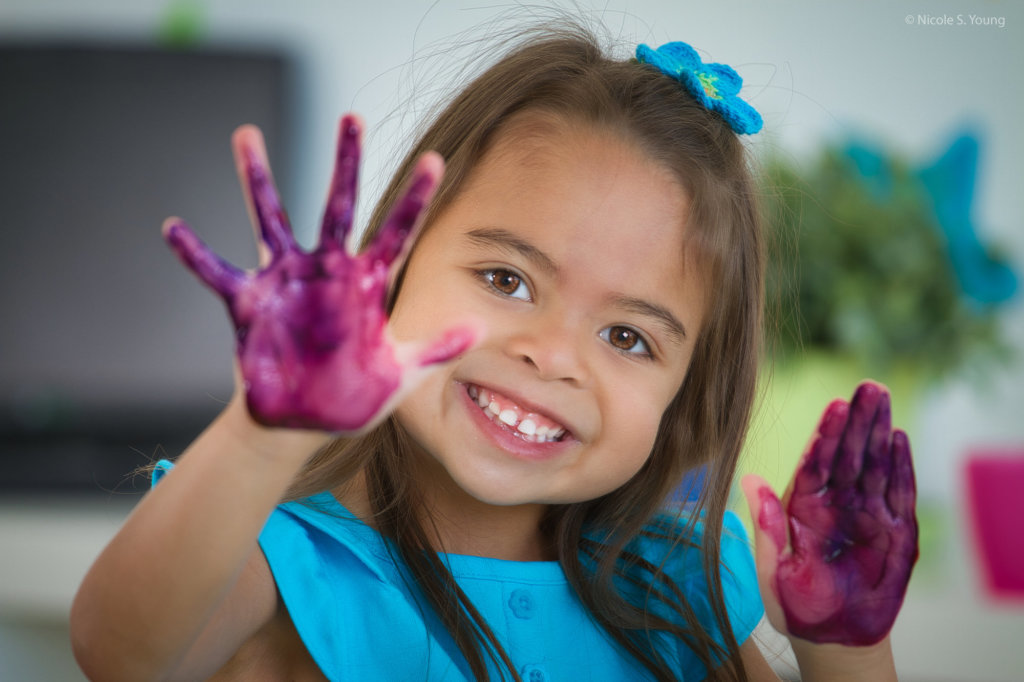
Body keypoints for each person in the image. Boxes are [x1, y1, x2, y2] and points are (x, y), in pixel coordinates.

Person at [70, 25, 917, 682]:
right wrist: (264, 435)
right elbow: (120, 655)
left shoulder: (675, 591)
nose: (550, 356)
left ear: (684, 397)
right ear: (396, 265)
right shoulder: (281, 560)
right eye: (507, 280)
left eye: (627, 337)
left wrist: (843, 647)